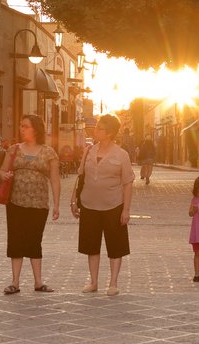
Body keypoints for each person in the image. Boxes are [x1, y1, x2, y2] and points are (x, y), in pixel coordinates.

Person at [70, 114, 135, 296]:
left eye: (100, 128)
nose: (96, 130)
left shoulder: (121, 155)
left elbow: (128, 183)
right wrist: (74, 200)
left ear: (110, 133)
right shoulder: (89, 151)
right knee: (91, 245)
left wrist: (126, 209)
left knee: (115, 245)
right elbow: (80, 176)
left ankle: (113, 283)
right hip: (89, 204)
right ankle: (93, 281)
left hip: (113, 205)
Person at [0, 114, 61, 295]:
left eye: (25, 126)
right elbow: (2, 170)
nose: (21, 128)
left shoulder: (49, 152)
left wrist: (57, 204)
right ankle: (15, 282)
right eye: (21, 125)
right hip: (15, 202)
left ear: (35, 129)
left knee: (35, 240)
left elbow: (55, 180)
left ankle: (38, 281)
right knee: (16, 240)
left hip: (38, 203)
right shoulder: (13, 149)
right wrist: (3, 175)